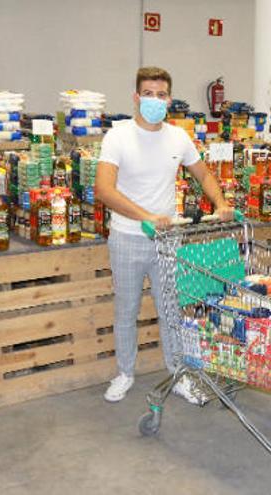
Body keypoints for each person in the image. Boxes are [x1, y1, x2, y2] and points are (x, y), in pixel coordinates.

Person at [96, 67, 234, 403]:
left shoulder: (178, 137)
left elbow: (204, 174)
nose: (154, 100)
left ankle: (179, 375)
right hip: (127, 237)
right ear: (136, 97)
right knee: (126, 310)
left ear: (169, 99)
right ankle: (125, 373)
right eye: (148, 93)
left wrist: (221, 201)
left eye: (161, 95)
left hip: (168, 240)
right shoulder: (118, 136)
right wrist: (145, 217)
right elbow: (103, 189)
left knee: (171, 309)